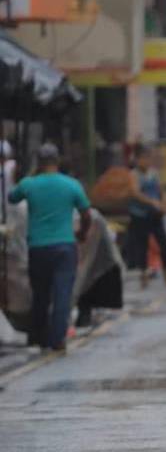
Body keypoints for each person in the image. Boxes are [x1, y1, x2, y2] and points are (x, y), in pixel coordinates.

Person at [7, 143, 91, 351]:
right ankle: (57, 339)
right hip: (65, 246)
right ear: (57, 161)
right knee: (62, 294)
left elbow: (12, 197)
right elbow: (86, 213)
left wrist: (30, 177)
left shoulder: (29, 184)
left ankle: (39, 337)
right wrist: (82, 233)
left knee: (40, 295)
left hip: (38, 248)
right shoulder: (71, 185)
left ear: (39, 162)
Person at [127, 144, 166, 289]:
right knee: (142, 245)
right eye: (143, 158)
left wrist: (163, 204)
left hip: (155, 214)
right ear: (137, 160)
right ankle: (143, 275)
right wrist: (151, 202)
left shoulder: (154, 173)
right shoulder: (133, 175)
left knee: (164, 243)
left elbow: (160, 190)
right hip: (140, 214)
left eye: (148, 158)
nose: (147, 161)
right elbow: (135, 193)